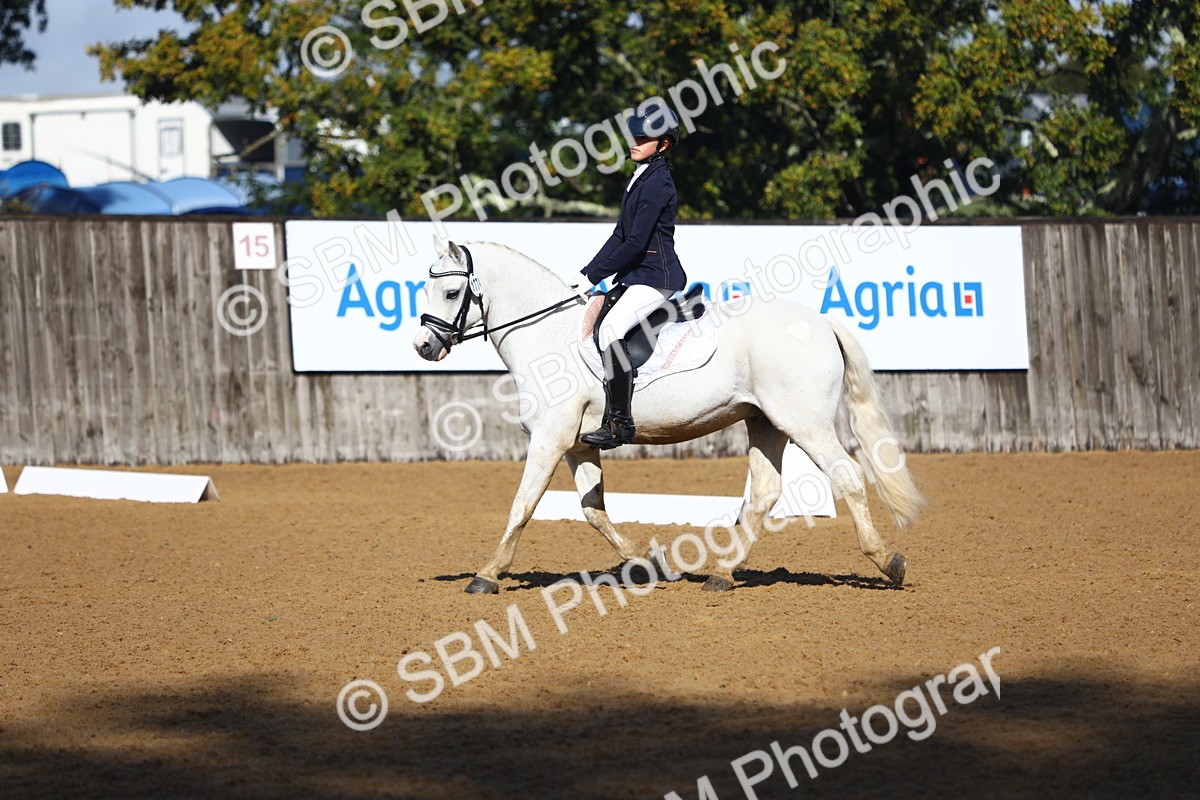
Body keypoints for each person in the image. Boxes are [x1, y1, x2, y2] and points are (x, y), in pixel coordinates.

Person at [578, 101, 687, 449]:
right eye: (633, 134)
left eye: (644, 136)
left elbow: (637, 241)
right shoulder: (641, 176)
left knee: (610, 328)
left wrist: (596, 274)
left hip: (657, 276)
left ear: (664, 144)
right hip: (637, 274)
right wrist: (587, 273)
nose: (634, 140)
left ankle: (620, 425)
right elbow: (618, 236)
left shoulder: (658, 183)